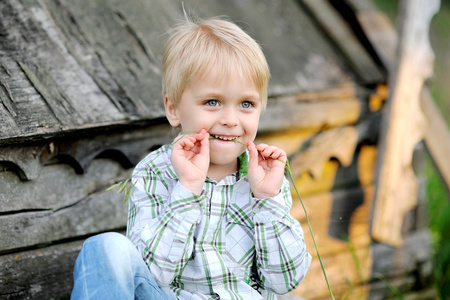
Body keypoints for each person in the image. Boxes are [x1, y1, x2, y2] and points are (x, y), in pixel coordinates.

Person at [71, 17, 311, 300]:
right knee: (104, 247)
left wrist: (267, 200)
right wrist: (187, 188)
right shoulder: (155, 172)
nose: (231, 120)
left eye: (246, 104)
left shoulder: (265, 178)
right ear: (173, 109)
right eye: (213, 102)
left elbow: (286, 282)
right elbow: (152, 274)